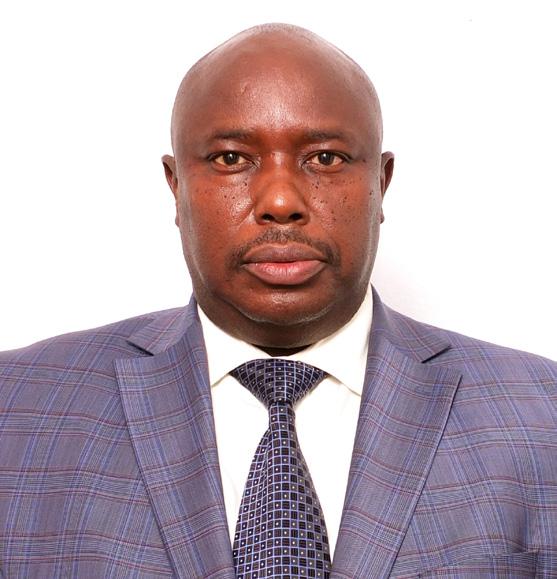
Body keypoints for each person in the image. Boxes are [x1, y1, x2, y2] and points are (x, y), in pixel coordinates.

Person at [0, 23, 555, 579]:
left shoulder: (542, 415)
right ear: (176, 186)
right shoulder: (15, 408)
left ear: (381, 184)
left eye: (326, 158)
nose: (282, 200)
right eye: (231, 159)